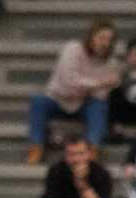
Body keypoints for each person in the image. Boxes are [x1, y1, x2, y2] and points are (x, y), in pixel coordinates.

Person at [27, 19, 119, 163]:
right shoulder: (73, 49)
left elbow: (101, 94)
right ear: (91, 37)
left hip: (85, 103)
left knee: (99, 105)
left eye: (109, 40)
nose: (105, 43)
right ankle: (36, 147)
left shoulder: (111, 63)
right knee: (38, 101)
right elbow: (68, 82)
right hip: (58, 98)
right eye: (101, 38)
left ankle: (92, 149)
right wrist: (99, 83)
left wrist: (87, 86)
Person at [40, 133, 112, 198]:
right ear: (65, 154)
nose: (76, 159)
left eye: (81, 154)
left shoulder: (101, 173)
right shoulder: (56, 171)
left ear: (89, 153)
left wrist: (82, 182)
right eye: (71, 154)